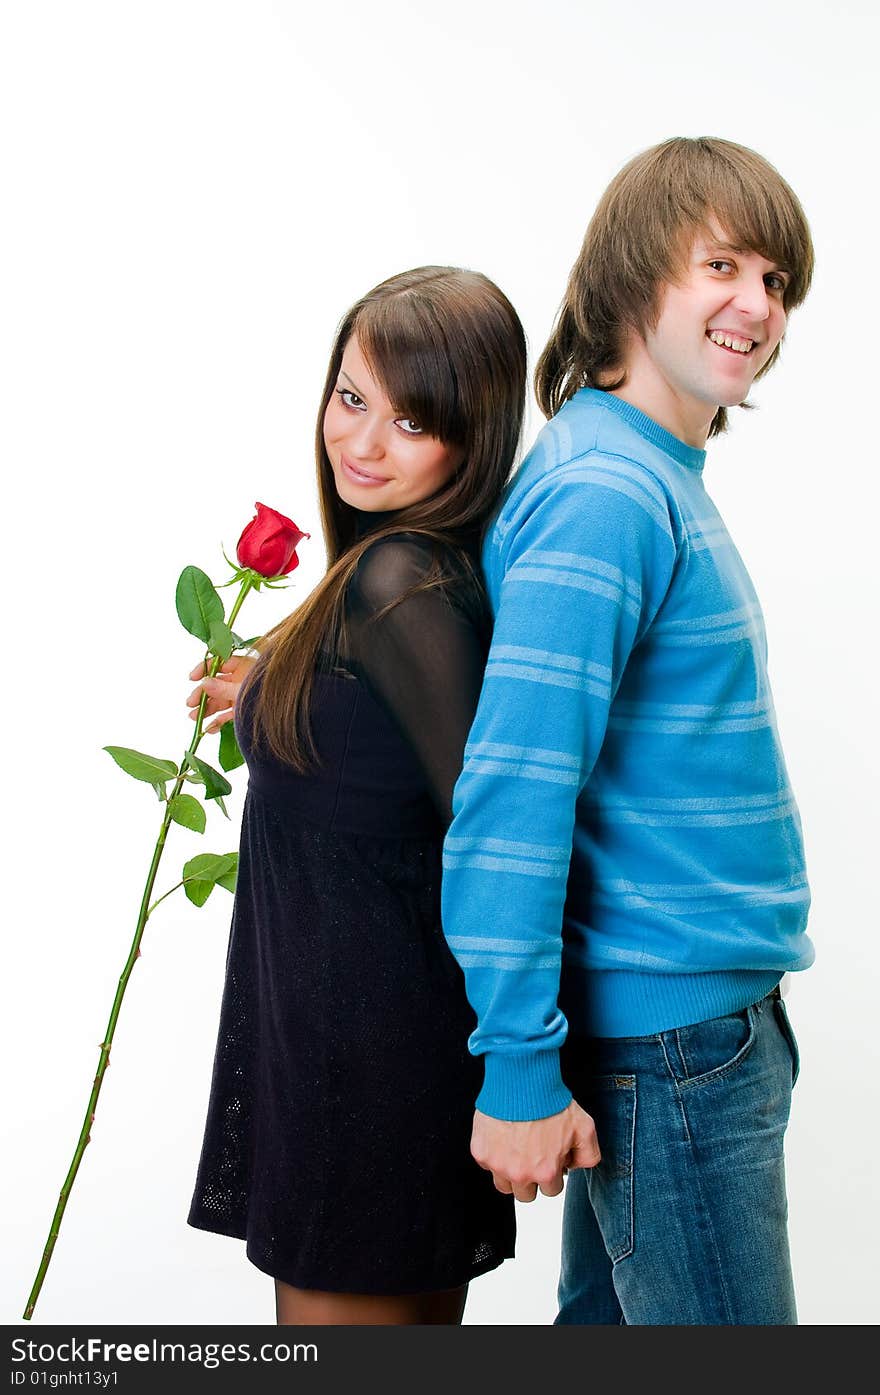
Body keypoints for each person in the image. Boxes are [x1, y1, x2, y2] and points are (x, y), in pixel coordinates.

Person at [439, 136, 816, 1325]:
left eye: (776, 281)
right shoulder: (608, 493)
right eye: (722, 265)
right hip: (673, 1051)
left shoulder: (649, 474)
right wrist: (514, 1066)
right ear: (630, 276)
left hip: (697, 1036)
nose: (754, 305)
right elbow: (514, 791)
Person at [186, 266, 527, 1325]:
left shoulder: (398, 585)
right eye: (351, 399)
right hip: (346, 1061)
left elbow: (497, 831)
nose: (363, 444)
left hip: (368, 1084)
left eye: (411, 420)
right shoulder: (387, 580)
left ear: (472, 437)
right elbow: (395, 769)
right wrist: (272, 692)